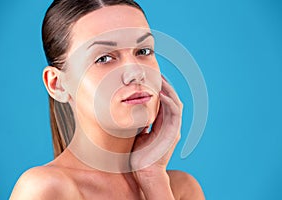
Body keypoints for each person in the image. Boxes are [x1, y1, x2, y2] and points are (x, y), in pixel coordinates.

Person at [10, 0, 205, 199]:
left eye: (143, 51)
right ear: (57, 84)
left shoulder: (181, 189)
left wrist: (152, 177)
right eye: (103, 58)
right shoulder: (45, 189)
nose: (136, 72)